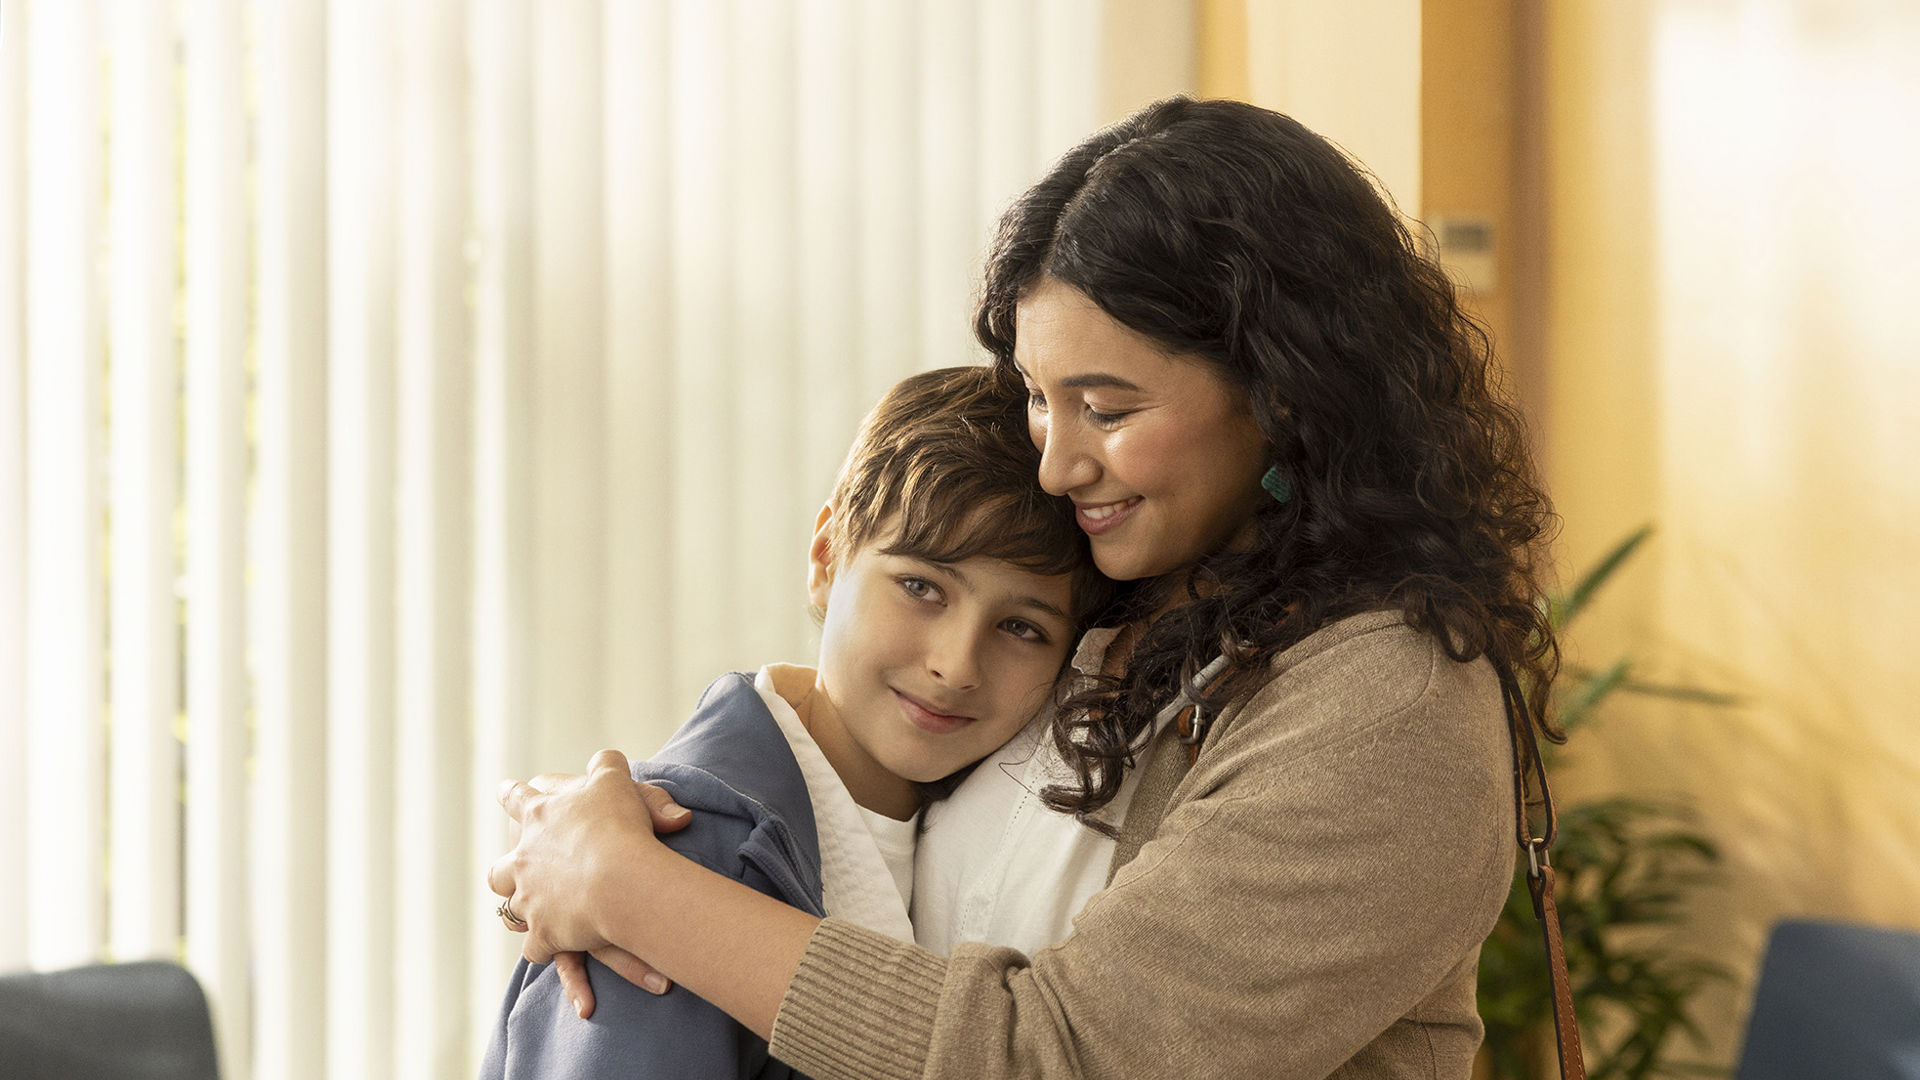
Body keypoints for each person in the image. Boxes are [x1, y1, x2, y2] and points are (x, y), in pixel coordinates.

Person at [487, 96, 1559, 1079]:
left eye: (1107, 407)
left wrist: (635, 886)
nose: (1056, 464)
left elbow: (1064, 1054)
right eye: (1042, 397)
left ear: (1284, 391)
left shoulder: (1385, 708)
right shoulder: (1111, 599)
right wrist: (650, 801)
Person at [479, 365, 1106, 1079]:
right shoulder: (676, 849)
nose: (957, 664)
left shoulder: (975, 833)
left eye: (1021, 627)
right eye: (921, 587)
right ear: (824, 559)